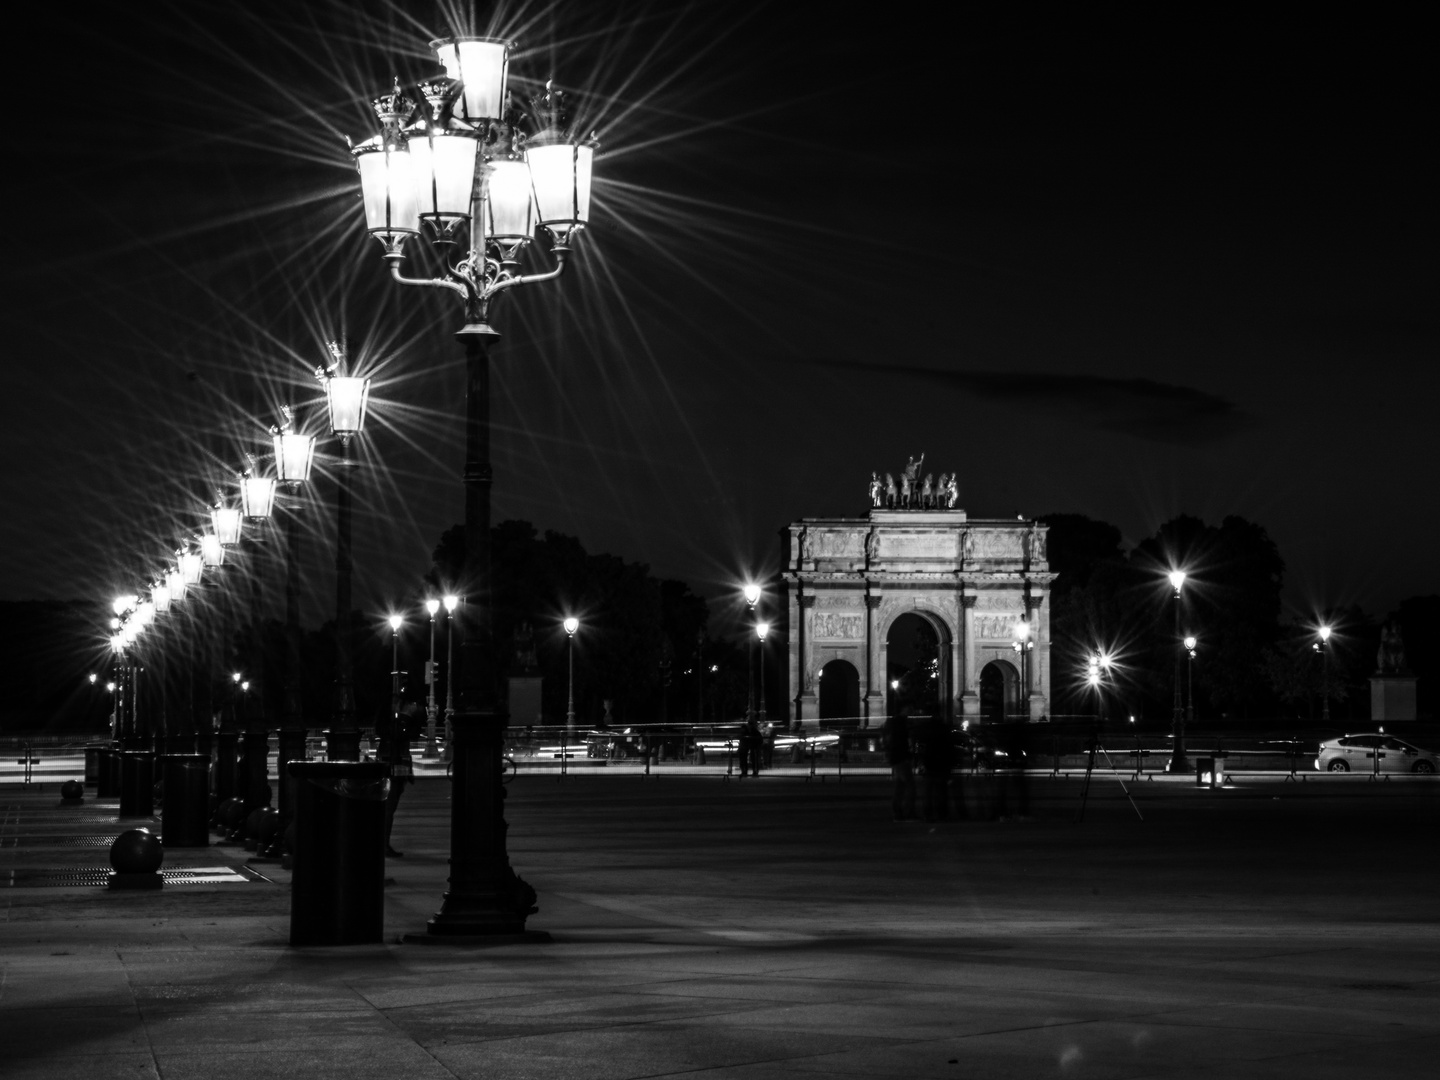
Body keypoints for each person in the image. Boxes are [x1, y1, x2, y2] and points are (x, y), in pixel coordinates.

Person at [379, 702, 418, 857]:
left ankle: (384, 844)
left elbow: (411, 734)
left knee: (390, 809)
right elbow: (400, 735)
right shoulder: (392, 724)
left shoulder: (396, 722)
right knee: (388, 809)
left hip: (397, 770)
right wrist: (405, 716)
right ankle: (383, 844)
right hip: (392, 770)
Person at [920, 717, 956, 821]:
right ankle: (942, 814)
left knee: (928, 792)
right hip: (941, 764)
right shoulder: (944, 729)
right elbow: (949, 748)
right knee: (941, 791)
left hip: (929, 763)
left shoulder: (926, 730)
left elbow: (924, 748)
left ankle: (928, 815)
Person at [885, 708, 917, 820]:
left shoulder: (893, 722)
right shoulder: (901, 723)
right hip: (901, 758)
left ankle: (897, 812)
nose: (912, 712)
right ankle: (908, 812)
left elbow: (890, 741)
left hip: (896, 758)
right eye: (910, 708)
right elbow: (901, 743)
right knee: (910, 786)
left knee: (900, 786)